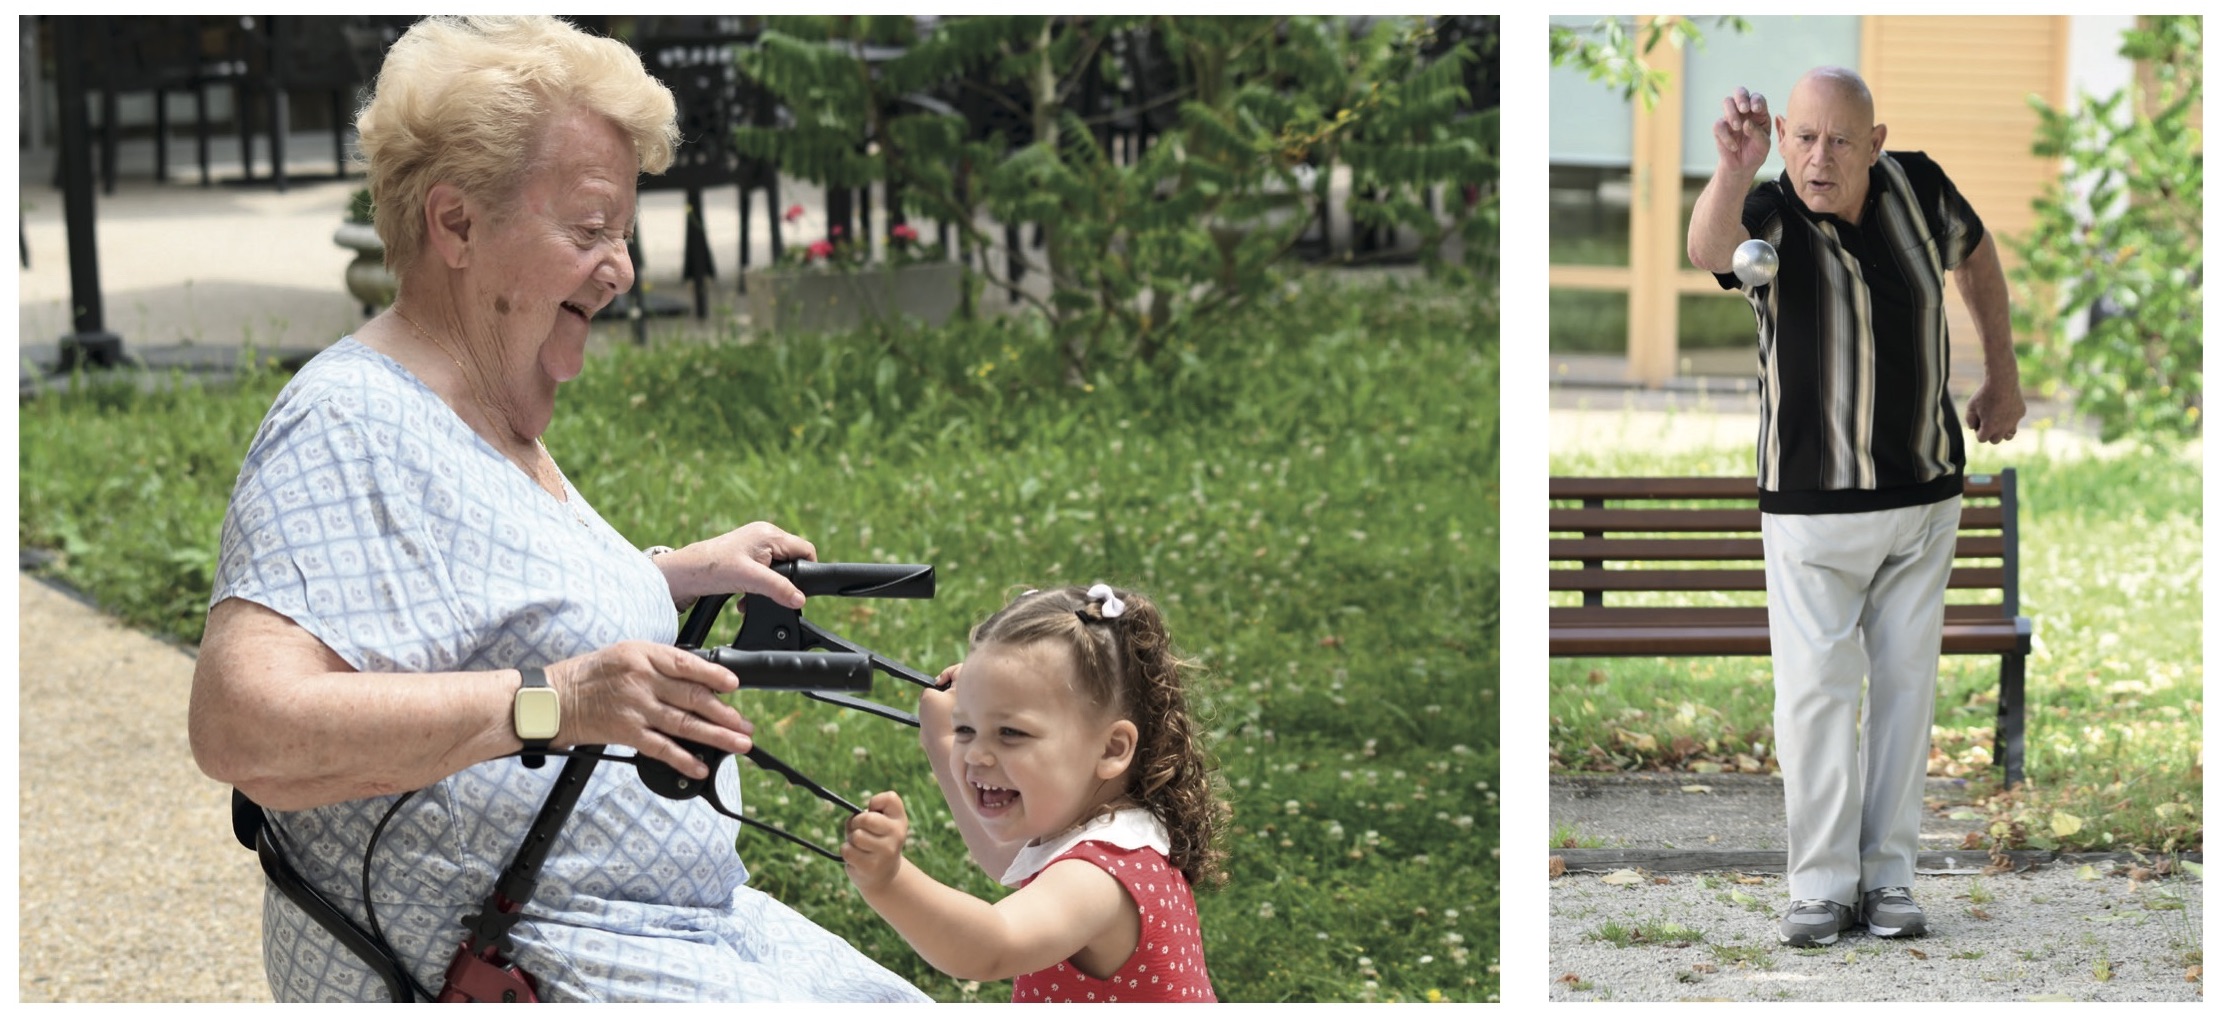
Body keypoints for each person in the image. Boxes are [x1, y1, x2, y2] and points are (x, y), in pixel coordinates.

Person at [187, 16, 925, 1001]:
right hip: (535, 961)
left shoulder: (478, 408)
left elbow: (460, 607)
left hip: (654, 934)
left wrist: (658, 574)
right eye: (587, 232)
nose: (620, 268)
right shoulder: (345, 422)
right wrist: (560, 702)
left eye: (622, 234)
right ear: (455, 226)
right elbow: (242, 727)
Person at [1686, 66, 2026, 948]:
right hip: (1812, 505)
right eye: (1802, 136)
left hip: (1923, 494)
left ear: (1876, 143)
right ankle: (1820, 887)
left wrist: (2004, 372)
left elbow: (1977, 253)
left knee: (1907, 692)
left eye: (1838, 140)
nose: (1816, 157)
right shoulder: (1767, 210)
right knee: (1815, 695)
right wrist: (1734, 167)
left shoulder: (1920, 186)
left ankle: (1890, 880)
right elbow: (1707, 253)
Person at [840, 584, 1225, 1002]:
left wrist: (890, 881)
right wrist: (942, 739)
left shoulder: (1093, 880)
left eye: (1010, 732)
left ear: (1112, 748)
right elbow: (1004, 856)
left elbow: (991, 947)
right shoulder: (1114, 825)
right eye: (967, 729)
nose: (978, 756)